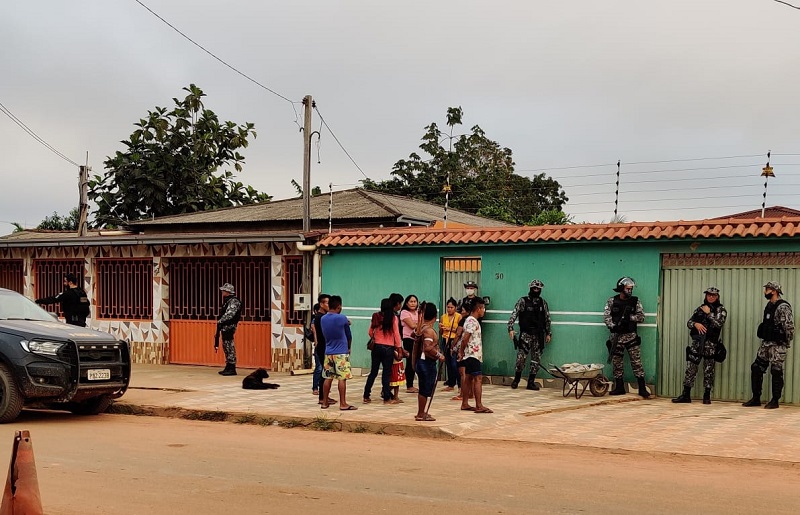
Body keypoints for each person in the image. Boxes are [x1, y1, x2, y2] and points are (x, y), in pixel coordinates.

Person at [743, 282, 795, 409]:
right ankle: (756, 398)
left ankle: (775, 400)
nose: (765, 291)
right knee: (756, 367)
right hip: (766, 343)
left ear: (774, 291)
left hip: (777, 345)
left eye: (767, 289)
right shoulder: (769, 305)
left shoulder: (783, 307)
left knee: (776, 371)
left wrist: (785, 342)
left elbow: (789, 327)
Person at [673, 287, 728, 404]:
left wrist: (709, 314)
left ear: (717, 296)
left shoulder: (720, 309)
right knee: (690, 368)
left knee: (709, 370)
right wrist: (696, 324)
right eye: (709, 295)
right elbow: (689, 322)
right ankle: (686, 394)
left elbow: (719, 324)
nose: (711, 297)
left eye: (713, 295)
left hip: (710, 344)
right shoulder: (700, 308)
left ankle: (707, 395)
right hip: (697, 343)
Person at [603, 277, 649, 398]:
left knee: (637, 363)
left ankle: (642, 388)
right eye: (628, 288)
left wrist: (630, 318)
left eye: (631, 288)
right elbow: (606, 317)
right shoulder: (612, 301)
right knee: (617, 363)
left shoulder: (635, 301)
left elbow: (641, 317)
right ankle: (619, 387)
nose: (630, 291)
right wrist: (614, 326)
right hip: (616, 337)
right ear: (621, 288)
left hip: (631, 337)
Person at [507, 279, 552, 390]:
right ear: (531, 288)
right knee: (521, 359)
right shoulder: (523, 301)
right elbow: (514, 314)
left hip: (538, 335)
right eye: (534, 288)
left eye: (538, 289)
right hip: (526, 334)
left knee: (536, 359)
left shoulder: (543, 303)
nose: (536, 290)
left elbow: (547, 319)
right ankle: (516, 380)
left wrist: (548, 333)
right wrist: (510, 328)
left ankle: (531, 382)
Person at [320, 295, 357, 410]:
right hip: (341, 352)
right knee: (342, 378)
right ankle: (343, 403)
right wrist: (349, 347)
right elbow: (348, 335)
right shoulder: (342, 318)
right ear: (339, 306)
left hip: (328, 351)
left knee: (328, 377)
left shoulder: (323, 318)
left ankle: (324, 402)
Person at [363, 298, 403, 405]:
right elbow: (396, 334)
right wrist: (399, 348)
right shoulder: (393, 318)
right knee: (387, 373)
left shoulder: (376, 316)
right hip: (388, 348)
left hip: (376, 347)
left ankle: (366, 395)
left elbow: (370, 331)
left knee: (374, 372)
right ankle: (386, 398)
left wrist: (376, 338)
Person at [457, 297, 492, 413]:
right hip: (472, 354)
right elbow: (465, 337)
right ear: (478, 309)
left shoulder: (469, 320)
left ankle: (465, 403)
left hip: (470, 354)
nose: (484, 311)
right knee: (477, 378)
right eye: (483, 308)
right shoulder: (472, 321)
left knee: (468, 378)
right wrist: (461, 351)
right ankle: (479, 405)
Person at [414, 302, 445, 421]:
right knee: (425, 388)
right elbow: (427, 347)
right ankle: (421, 413)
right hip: (426, 363)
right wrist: (439, 355)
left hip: (422, 362)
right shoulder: (428, 331)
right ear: (435, 316)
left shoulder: (421, 328)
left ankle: (420, 412)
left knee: (424, 387)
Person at [215, 283, 242, 376]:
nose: (222, 292)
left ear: (228, 291)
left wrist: (220, 321)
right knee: (226, 346)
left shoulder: (234, 301)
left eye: (224, 290)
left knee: (229, 346)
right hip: (225, 326)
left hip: (229, 326)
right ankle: (228, 366)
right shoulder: (228, 300)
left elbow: (230, 314)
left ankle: (232, 367)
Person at [313, 294, 332, 405]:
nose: (328, 305)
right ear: (321, 304)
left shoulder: (323, 316)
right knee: (324, 373)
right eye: (327, 303)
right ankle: (322, 397)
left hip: (324, 346)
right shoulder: (320, 317)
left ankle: (325, 396)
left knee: (326, 372)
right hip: (323, 347)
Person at [439, 297, 461, 392]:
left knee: (454, 363)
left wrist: (450, 329)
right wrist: (441, 328)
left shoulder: (459, 317)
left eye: (451, 307)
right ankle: (451, 383)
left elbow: (460, 330)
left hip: (454, 340)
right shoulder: (443, 317)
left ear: (455, 308)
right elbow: (441, 332)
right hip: (445, 340)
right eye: (448, 307)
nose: (449, 309)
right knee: (448, 362)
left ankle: (460, 384)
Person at [400, 295, 420, 393]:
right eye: (411, 301)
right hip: (408, 339)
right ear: (407, 303)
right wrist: (420, 325)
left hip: (418, 339)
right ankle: (409, 385)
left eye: (414, 301)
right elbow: (412, 325)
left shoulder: (418, 312)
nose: (413, 303)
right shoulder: (404, 313)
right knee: (410, 361)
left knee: (417, 360)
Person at [309, 302, 321, 396]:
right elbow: (314, 331)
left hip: (325, 346)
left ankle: (322, 387)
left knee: (324, 368)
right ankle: (315, 387)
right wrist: (316, 342)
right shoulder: (314, 320)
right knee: (319, 367)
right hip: (318, 346)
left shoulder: (324, 318)